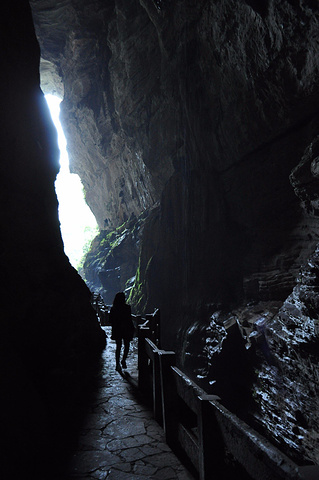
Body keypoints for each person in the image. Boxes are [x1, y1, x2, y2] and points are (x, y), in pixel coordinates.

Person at [110, 292, 134, 371]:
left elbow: (110, 320)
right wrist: (132, 328)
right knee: (127, 345)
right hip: (126, 329)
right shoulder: (127, 308)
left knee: (118, 347)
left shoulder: (113, 308)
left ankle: (117, 364)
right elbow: (129, 319)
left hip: (117, 329)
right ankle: (123, 360)